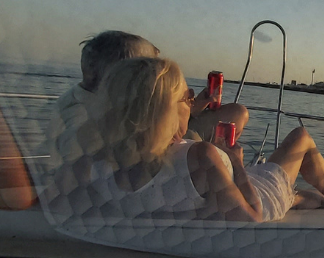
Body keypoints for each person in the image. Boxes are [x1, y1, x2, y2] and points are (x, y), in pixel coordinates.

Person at [83, 57, 324, 222]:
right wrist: (236, 164)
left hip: (222, 194)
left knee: (293, 195)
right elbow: (253, 217)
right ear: (164, 111)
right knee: (301, 138)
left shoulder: (100, 163)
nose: (191, 103)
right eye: (186, 98)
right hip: (257, 197)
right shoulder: (201, 157)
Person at [47, 30, 249, 169]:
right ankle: (219, 173)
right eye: (146, 67)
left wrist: (195, 105)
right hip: (144, 149)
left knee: (236, 113)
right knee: (195, 145)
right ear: (122, 72)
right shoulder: (79, 114)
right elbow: (79, 160)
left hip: (157, 130)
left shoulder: (118, 96)